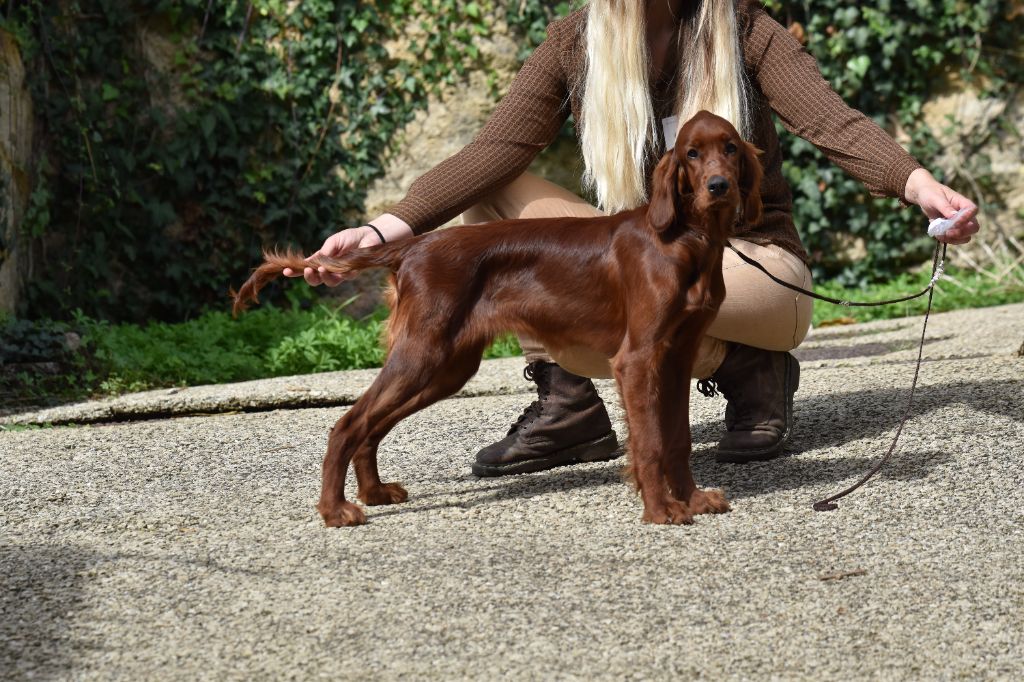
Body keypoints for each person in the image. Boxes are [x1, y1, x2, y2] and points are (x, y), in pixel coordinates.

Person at [285, 0, 979, 475]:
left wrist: (918, 184)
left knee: (658, 297)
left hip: (759, 269)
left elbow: (835, 123)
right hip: (651, 263)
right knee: (491, 203)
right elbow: (493, 151)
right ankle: (567, 404)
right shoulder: (575, 40)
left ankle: (753, 370)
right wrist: (379, 232)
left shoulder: (741, 24)